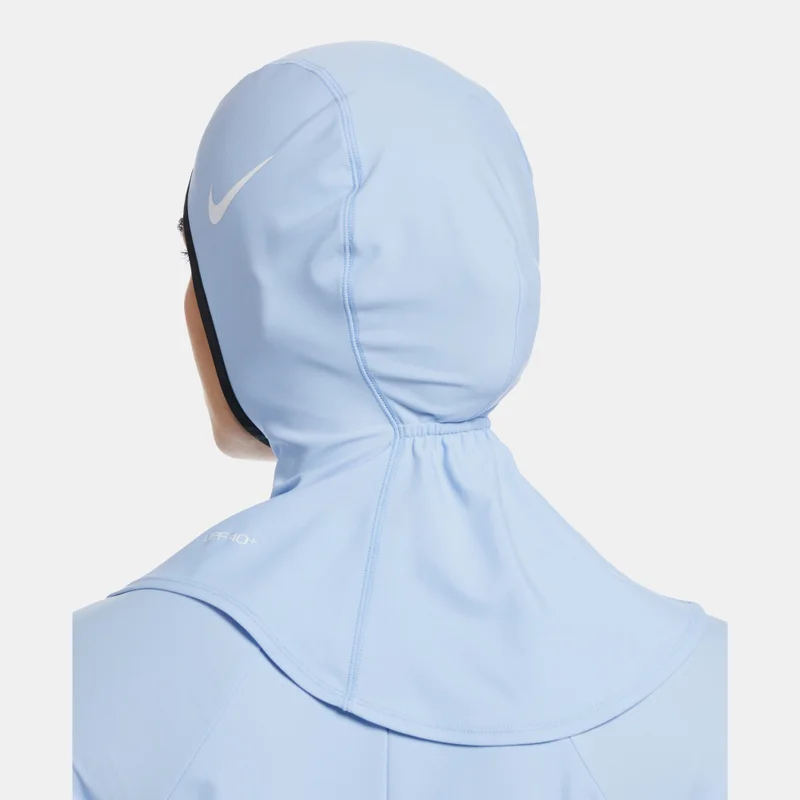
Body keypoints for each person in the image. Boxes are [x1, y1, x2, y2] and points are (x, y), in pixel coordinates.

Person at [72, 41, 727, 799]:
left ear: (257, 295)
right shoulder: (722, 692)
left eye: (201, 260)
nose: (190, 303)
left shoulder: (87, 694)